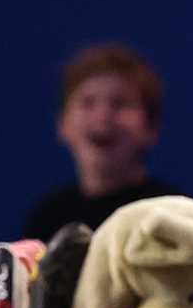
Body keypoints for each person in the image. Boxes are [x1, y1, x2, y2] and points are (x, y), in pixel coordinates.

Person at [24, 44, 176, 241]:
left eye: (120, 103)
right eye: (87, 102)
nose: (103, 116)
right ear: (62, 124)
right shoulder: (47, 217)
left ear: (150, 128)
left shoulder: (170, 216)